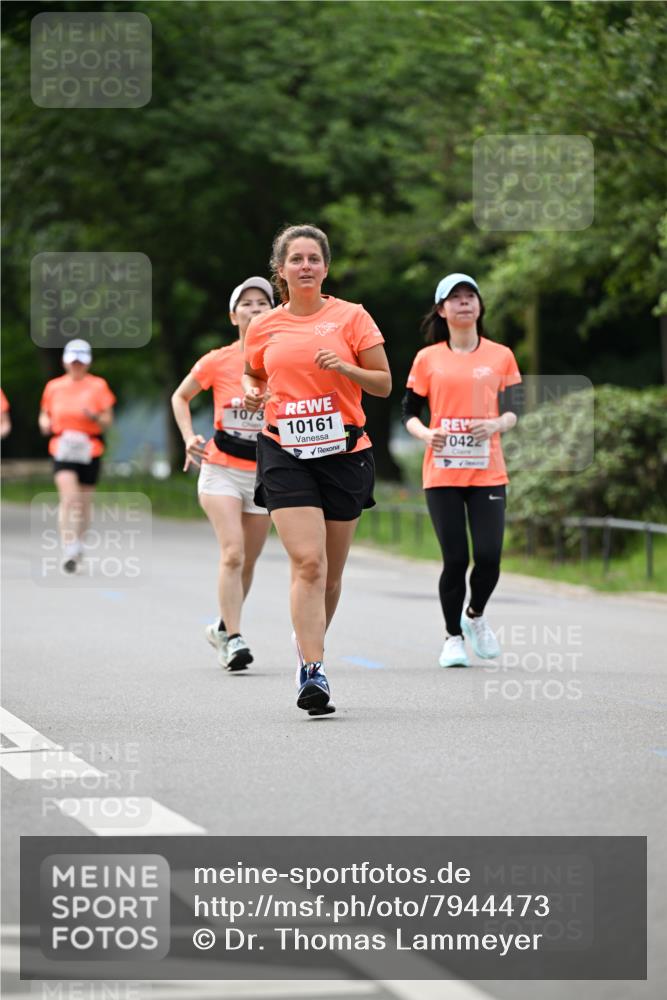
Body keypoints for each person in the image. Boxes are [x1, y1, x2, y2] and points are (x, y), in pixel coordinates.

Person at [242, 224, 391, 715]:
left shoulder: (352, 317)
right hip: (284, 449)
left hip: (344, 452)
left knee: (330, 575)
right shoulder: (265, 325)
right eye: (295, 259)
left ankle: (308, 639)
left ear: (325, 267)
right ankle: (313, 671)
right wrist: (251, 390)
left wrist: (345, 369)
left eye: (313, 258)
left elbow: (385, 384)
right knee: (308, 563)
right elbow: (254, 371)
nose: (305, 265)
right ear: (280, 270)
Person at [403, 273, 521, 668]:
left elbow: (515, 408)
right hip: (443, 472)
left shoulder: (501, 355)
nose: (465, 303)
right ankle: (452, 637)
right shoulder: (427, 358)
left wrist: (496, 425)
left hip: (488, 471)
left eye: (471, 296)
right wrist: (426, 434)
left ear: (479, 306)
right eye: (455, 298)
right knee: (455, 559)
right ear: (442, 310)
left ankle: (475, 617)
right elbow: (409, 412)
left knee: (488, 556)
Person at [171, 278, 274, 671]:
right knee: (232, 552)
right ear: (234, 316)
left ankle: (221, 626)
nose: (255, 309)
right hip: (220, 470)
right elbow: (180, 396)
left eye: (263, 302)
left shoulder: (281, 361)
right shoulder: (217, 360)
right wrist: (187, 437)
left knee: (247, 560)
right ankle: (234, 638)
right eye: (246, 304)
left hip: (264, 474)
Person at [39, 339, 116, 573]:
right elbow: (44, 414)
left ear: (88, 363)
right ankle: (69, 546)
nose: (76, 366)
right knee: (69, 498)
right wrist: (45, 423)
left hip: (89, 447)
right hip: (62, 446)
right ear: (65, 362)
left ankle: (79, 541)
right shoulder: (54, 387)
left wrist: (94, 416)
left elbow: (108, 421)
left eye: (80, 363)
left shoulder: (98, 386)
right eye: (73, 362)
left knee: (83, 502)